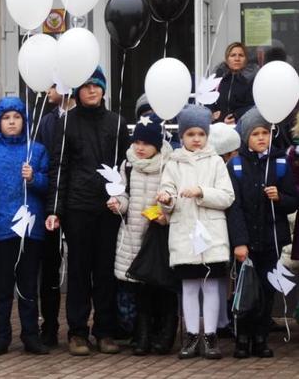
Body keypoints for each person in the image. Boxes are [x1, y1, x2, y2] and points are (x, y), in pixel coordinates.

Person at [45, 66, 128, 356]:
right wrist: (55, 208)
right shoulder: (66, 123)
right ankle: (78, 332)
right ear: (78, 91)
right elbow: (59, 168)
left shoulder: (117, 124)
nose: (92, 90)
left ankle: (105, 330)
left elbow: (124, 167)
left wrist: (121, 199)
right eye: (86, 86)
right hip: (77, 208)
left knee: (105, 272)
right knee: (79, 271)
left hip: (108, 209)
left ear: (104, 90)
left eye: (97, 85)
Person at [157, 104, 235, 360]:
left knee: (211, 285)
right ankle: (191, 335)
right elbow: (166, 197)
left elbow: (226, 196)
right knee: (189, 287)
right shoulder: (173, 163)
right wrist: (166, 199)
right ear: (182, 137)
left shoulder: (216, 163)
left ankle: (211, 336)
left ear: (207, 136)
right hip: (185, 235)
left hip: (211, 235)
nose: (196, 139)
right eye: (190, 134)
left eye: (201, 134)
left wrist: (201, 191)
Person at [0, 97, 50, 356]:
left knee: (29, 287)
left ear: (25, 121)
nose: (12, 122)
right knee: (4, 287)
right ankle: (0, 337)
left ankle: (31, 335)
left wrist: (34, 178)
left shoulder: (36, 151)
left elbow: (48, 185)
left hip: (31, 231)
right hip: (3, 231)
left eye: (17, 117)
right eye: (6, 118)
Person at [227, 108, 297, 358]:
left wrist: (280, 198)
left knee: (267, 291)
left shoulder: (279, 163)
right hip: (247, 241)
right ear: (246, 137)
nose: (260, 137)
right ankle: (242, 337)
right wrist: (239, 242)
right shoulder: (236, 165)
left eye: (265, 132)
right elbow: (233, 207)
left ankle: (260, 337)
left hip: (270, 240)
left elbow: (293, 199)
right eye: (255, 133)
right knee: (246, 290)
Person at [109, 115, 178, 355]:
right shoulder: (127, 165)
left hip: (160, 236)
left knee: (163, 286)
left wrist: (166, 210)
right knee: (140, 288)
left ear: (157, 145)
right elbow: (124, 194)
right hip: (134, 235)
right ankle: (142, 335)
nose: (140, 148)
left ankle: (165, 334)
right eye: (137, 142)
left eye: (146, 143)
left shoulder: (169, 165)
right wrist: (118, 203)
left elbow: (175, 197)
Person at [35, 83, 74, 347]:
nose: (47, 90)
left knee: (83, 268)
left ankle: (81, 327)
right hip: (49, 201)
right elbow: (39, 158)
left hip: (78, 201)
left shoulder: (83, 119)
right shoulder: (45, 121)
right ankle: (49, 325)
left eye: (53, 85)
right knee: (49, 267)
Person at [209, 122, 242, 338]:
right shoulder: (223, 169)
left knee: (223, 276)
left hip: (229, 226)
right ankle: (221, 319)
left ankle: (223, 318)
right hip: (220, 226)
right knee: (221, 276)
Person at [212, 42, 257, 124]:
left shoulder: (252, 80)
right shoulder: (218, 78)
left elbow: (255, 105)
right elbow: (208, 99)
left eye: (241, 55)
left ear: (246, 59)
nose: (237, 59)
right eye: (233, 55)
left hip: (243, 124)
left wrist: (236, 116)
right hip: (219, 125)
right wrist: (211, 113)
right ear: (227, 58)